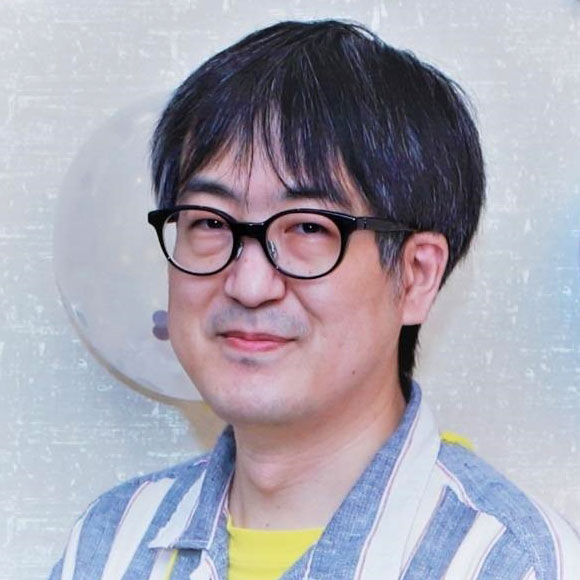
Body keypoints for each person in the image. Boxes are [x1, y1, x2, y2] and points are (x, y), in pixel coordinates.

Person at [50, 19, 580, 580]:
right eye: (210, 221)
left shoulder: (514, 563)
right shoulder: (110, 544)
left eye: (308, 228)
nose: (248, 284)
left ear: (416, 275)